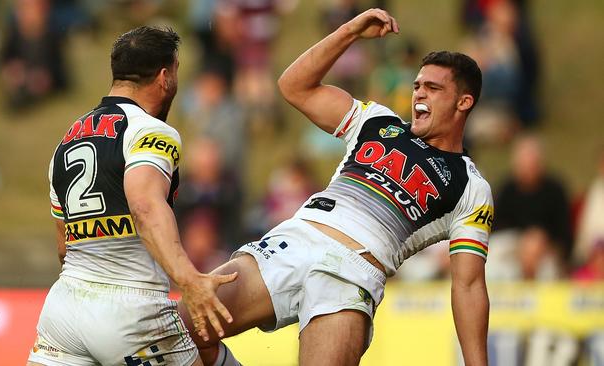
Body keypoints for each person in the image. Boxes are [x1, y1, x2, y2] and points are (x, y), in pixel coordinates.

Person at [179, 8, 493, 366]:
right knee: (178, 327)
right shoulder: (376, 120)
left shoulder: (471, 187)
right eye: (417, 85)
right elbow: (293, 86)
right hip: (294, 241)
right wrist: (350, 31)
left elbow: (468, 286)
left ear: (464, 102)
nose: (419, 94)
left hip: (352, 274)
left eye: (433, 89)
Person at [27, 26, 237, 366]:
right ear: (165, 76)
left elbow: (64, 246)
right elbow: (144, 205)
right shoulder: (150, 131)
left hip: (63, 312)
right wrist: (189, 280)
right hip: (130, 310)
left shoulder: (66, 141)